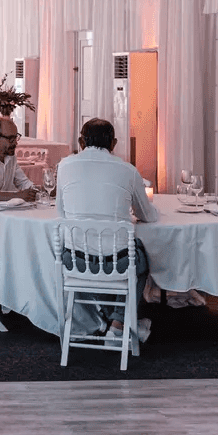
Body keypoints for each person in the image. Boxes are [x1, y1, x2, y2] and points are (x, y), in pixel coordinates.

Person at [55, 118, 158, 343]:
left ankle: (107, 316)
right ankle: (119, 322)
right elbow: (147, 216)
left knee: (102, 254)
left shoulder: (64, 166)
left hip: (74, 261)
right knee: (139, 255)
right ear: (114, 143)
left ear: (81, 141)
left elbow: (61, 212)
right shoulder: (128, 170)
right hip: (115, 262)